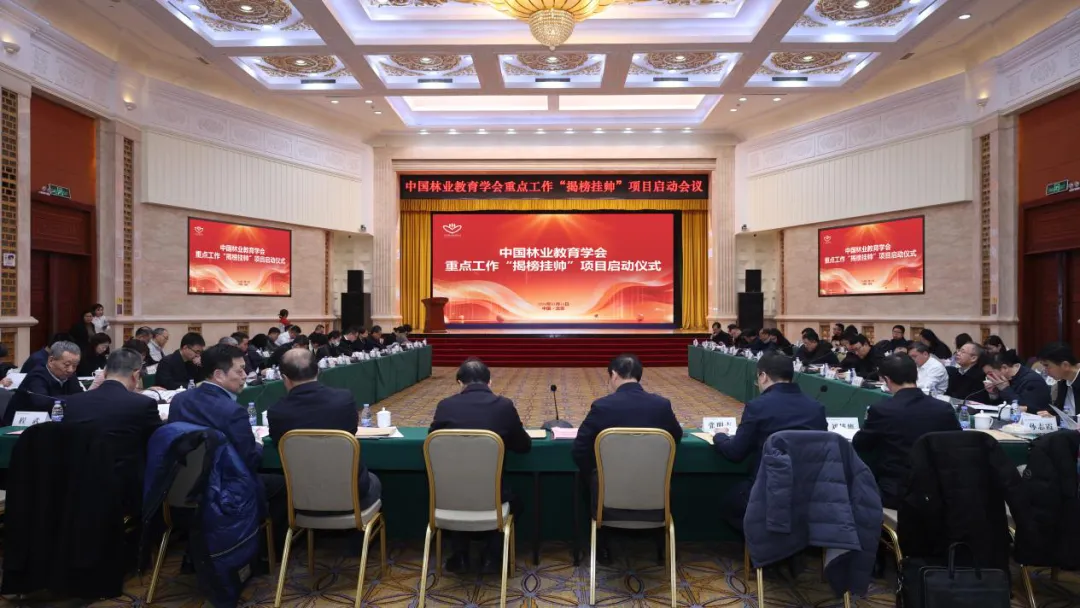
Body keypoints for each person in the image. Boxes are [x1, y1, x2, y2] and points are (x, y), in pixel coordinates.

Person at [167, 344, 287, 547]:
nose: (245, 376)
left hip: (183, 487)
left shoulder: (179, 400)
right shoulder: (232, 411)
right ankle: (264, 549)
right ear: (218, 375)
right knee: (283, 484)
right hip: (225, 490)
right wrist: (258, 444)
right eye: (239, 371)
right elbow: (250, 460)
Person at [429, 358, 531, 574]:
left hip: (449, 497)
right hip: (493, 498)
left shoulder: (445, 406)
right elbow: (523, 446)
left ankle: (460, 553)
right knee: (515, 502)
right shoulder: (504, 406)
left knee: (460, 492)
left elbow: (431, 445)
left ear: (459, 383)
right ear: (490, 382)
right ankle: (493, 555)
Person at [713, 353, 827, 531]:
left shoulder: (758, 406)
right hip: (809, 490)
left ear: (763, 376)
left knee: (727, 505)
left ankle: (764, 542)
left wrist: (719, 436)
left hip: (767, 490)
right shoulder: (816, 408)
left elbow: (735, 453)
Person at [267, 349, 380, 508]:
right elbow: (351, 432)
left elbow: (278, 443)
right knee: (374, 479)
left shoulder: (277, 412)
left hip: (302, 493)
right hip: (349, 490)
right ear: (318, 371)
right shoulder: (344, 399)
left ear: (284, 378)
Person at [852, 354, 961, 509]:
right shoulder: (944, 408)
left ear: (887, 380)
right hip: (939, 491)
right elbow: (957, 444)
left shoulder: (882, 410)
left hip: (897, 492)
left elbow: (860, 444)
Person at [63, 348, 161, 510]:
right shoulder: (142, 404)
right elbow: (156, 442)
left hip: (76, 483)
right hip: (123, 490)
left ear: (105, 372)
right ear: (136, 374)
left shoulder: (73, 402)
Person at [572, 353, 683, 473]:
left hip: (610, 480)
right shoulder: (662, 405)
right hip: (653, 478)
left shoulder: (602, 406)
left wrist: (599, 471)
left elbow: (580, 449)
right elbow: (675, 437)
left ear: (614, 375)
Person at [3, 341, 84, 426]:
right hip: (18, 426)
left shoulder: (70, 375)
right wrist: (72, 401)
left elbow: (80, 398)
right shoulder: (37, 376)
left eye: (75, 366)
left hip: (52, 423)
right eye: (66, 365)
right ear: (51, 361)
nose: (71, 370)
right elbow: (43, 403)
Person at [983, 350, 1052, 416]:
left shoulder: (1032, 380)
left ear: (1004, 368)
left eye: (990, 374)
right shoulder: (1005, 379)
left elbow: (1025, 409)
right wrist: (994, 393)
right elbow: (1000, 408)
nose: (989, 377)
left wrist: (1005, 389)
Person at [1037, 343, 1079, 416]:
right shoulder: (1063, 382)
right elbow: (1059, 411)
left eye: (1047, 366)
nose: (1045, 371)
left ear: (1065, 365)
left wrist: (1057, 418)